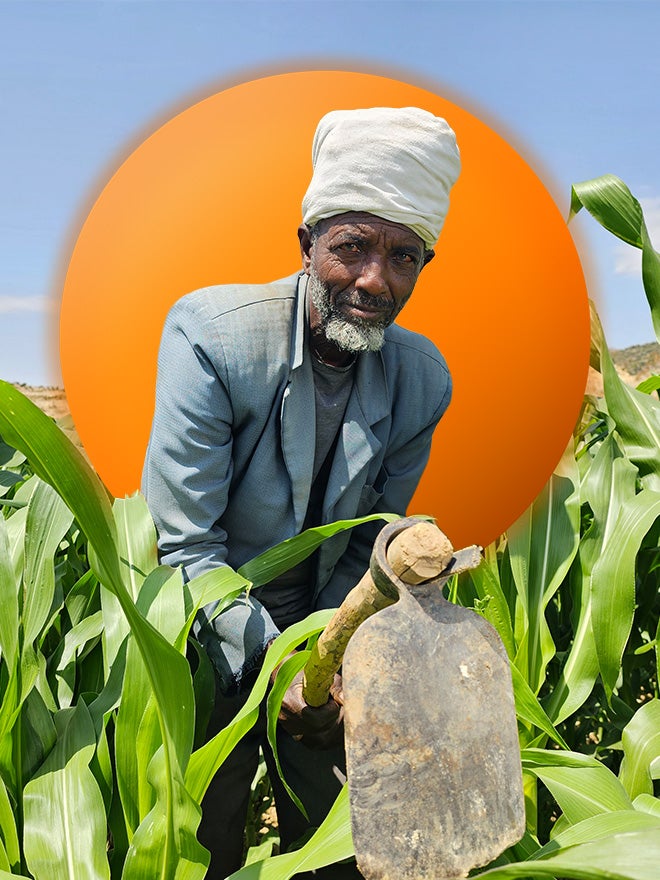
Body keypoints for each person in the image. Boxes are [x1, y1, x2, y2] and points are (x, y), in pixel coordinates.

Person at [142, 106, 461, 878]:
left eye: (403, 257)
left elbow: (365, 545)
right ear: (307, 245)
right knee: (198, 846)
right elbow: (188, 547)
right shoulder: (212, 338)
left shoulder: (421, 380)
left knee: (339, 851)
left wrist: (332, 665)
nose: (374, 280)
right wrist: (281, 664)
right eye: (351, 248)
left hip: (331, 649)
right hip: (203, 631)